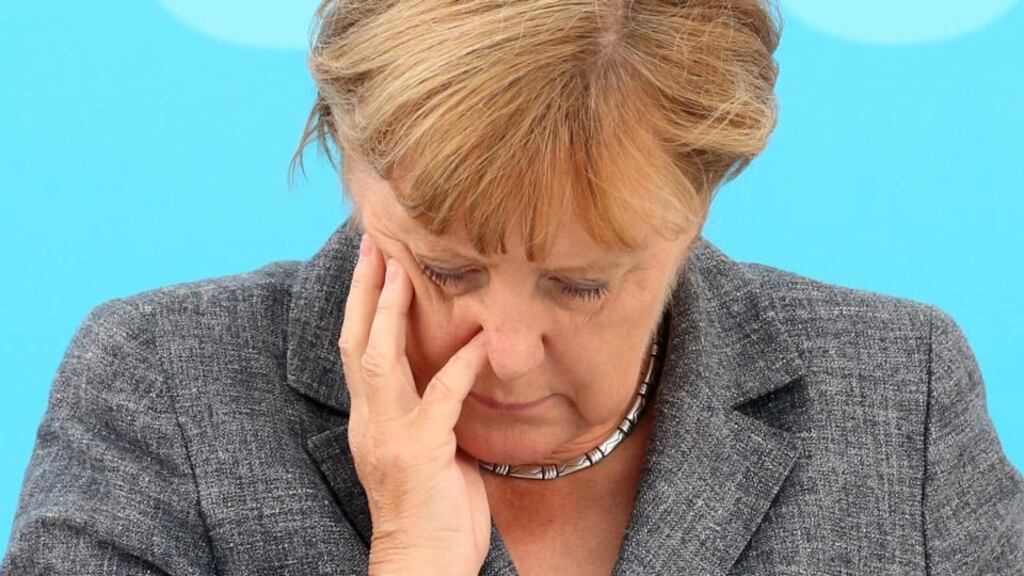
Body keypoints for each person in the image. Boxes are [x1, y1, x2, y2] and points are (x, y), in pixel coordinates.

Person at [2, 0, 1022, 574]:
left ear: (699, 204)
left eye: (581, 286)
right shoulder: (161, 389)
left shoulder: (899, 390)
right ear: (351, 169)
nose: (503, 352)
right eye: (445, 267)